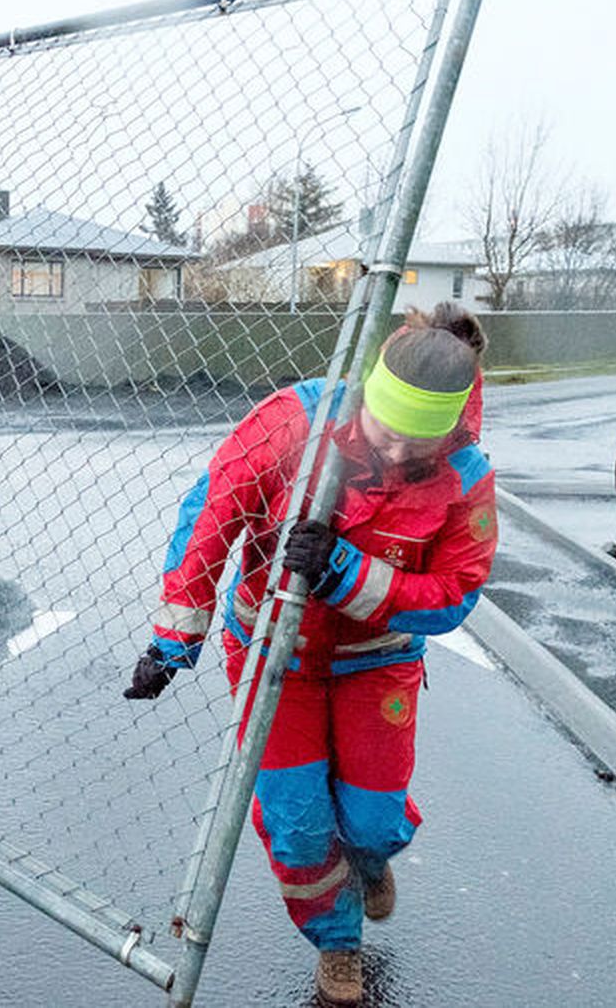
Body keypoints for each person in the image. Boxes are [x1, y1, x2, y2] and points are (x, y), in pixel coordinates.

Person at [125, 302, 497, 1005]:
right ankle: (338, 944)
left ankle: (372, 857)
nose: (393, 453)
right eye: (385, 432)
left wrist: (344, 575)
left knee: (372, 822)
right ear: (369, 396)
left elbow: (454, 594)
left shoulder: (466, 478)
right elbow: (213, 515)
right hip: (275, 654)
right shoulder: (292, 422)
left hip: (375, 662)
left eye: (415, 445)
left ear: (448, 432)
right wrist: (174, 642)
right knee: (298, 831)